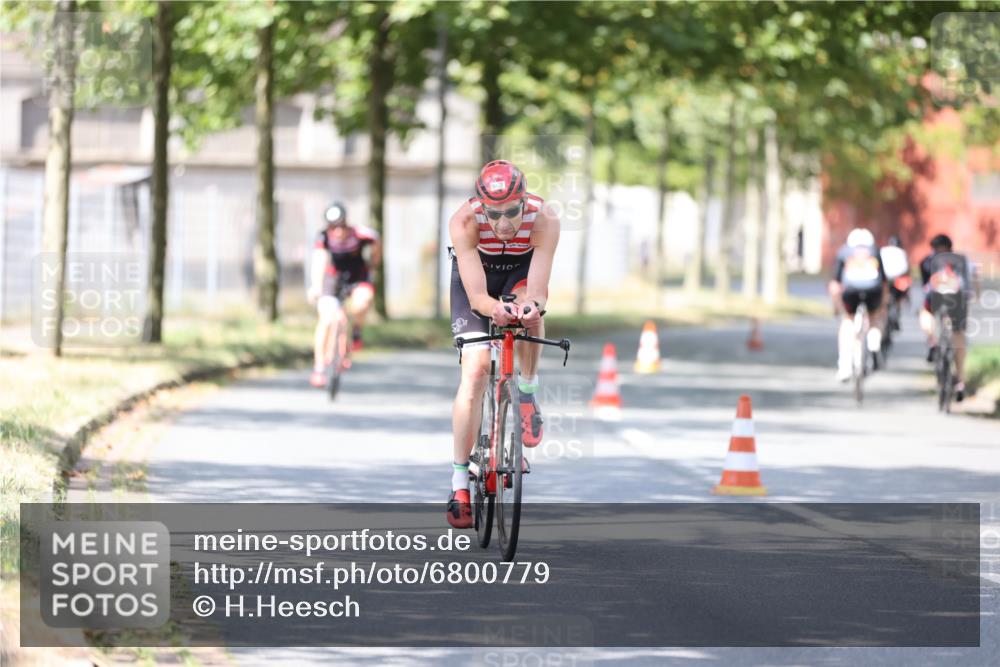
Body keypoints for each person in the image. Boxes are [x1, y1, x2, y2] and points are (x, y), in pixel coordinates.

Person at [446, 160, 560, 529]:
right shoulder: (464, 221)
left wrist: (529, 306)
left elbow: (538, 291)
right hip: (477, 277)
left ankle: (526, 391)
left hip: (520, 272)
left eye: (513, 210)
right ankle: (460, 482)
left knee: (529, 315)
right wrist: (494, 309)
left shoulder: (544, 218)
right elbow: (477, 295)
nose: (506, 222)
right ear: (481, 206)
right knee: (476, 369)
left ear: (525, 202)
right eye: (495, 214)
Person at [307, 202, 381, 388]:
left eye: (340, 225)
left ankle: (356, 329)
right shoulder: (324, 237)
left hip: (358, 277)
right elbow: (319, 259)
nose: (337, 231)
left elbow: (376, 240)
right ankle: (319, 367)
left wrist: (374, 261)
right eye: (333, 227)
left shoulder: (359, 234)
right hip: (333, 280)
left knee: (362, 303)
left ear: (346, 222)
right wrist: (315, 286)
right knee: (326, 319)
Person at [918, 234, 977, 402]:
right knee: (958, 335)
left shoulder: (927, 261)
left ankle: (932, 341)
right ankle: (960, 381)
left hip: (935, 297)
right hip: (958, 300)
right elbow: (969, 285)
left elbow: (925, 286)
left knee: (925, 312)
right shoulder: (962, 260)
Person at [828, 228, 888, 382]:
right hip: (873, 290)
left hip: (851, 291)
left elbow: (835, 284)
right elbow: (884, 283)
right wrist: (883, 306)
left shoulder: (844, 252)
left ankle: (845, 365)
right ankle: (874, 342)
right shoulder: (875, 251)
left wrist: (836, 306)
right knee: (874, 317)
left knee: (847, 320)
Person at [880, 235, 911, 332]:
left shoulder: (883, 250)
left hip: (884, 279)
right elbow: (906, 269)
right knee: (900, 295)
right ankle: (899, 306)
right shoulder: (902, 252)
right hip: (898, 280)